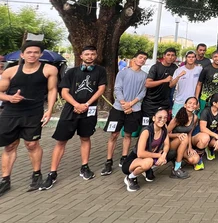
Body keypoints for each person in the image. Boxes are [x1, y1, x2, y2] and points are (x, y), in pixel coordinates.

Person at [40, 46, 107, 190]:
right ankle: (52, 172)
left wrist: (87, 104)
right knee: (61, 141)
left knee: (85, 138)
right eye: (87, 54)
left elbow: (101, 89)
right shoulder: (71, 72)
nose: (90, 56)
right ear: (81, 56)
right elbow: (64, 92)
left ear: (96, 55)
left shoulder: (101, 71)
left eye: (92, 54)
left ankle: (84, 166)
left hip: (89, 111)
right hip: (70, 110)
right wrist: (77, 104)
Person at [0, 41, 58, 196]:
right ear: (22, 54)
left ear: (40, 54)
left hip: (33, 112)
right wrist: (9, 98)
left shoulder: (49, 70)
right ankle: (5, 180)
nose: (32, 55)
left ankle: (36, 174)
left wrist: (49, 110)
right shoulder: (10, 72)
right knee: (10, 146)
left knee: (32, 144)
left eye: (36, 52)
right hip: (11, 112)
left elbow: (52, 90)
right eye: (29, 52)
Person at [100, 51, 148, 176]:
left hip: (134, 110)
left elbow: (142, 93)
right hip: (118, 109)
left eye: (144, 59)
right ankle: (108, 161)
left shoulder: (144, 75)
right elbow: (117, 88)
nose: (142, 60)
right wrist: (123, 103)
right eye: (140, 57)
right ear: (134, 59)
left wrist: (131, 104)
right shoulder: (123, 72)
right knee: (114, 135)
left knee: (128, 135)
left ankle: (124, 157)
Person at [122, 108, 170, 192]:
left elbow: (167, 144)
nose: (163, 120)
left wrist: (164, 154)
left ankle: (146, 170)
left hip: (148, 157)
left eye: (165, 117)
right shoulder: (146, 131)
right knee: (148, 162)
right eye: (160, 117)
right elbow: (140, 153)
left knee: (170, 154)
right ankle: (130, 177)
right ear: (154, 118)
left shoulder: (164, 128)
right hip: (131, 162)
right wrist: (159, 155)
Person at [166, 97, 199, 178]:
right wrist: (177, 135)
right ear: (185, 105)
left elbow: (190, 133)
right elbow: (164, 134)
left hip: (184, 143)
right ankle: (177, 168)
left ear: (197, 106)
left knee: (195, 159)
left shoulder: (195, 118)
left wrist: (190, 147)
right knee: (184, 137)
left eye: (194, 104)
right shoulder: (177, 118)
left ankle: (177, 159)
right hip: (172, 144)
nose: (192, 105)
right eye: (190, 103)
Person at [143, 48, 178, 121]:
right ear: (164, 56)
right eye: (168, 55)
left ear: (175, 57)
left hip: (164, 103)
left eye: (172, 55)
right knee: (146, 125)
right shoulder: (155, 67)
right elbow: (148, 83)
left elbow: (172, 84)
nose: (170, 57)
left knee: (162, 124)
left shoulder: (175, 68)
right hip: (151, 102)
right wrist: (164, 80)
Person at [192, 93, 218, 162]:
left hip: (212, 134)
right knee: (205, 138)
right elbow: (203, 128)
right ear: (214, 103)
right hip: (199, 134)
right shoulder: (205, 111)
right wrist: (216, 136)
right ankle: (199, 158)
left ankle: (209, 148)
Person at [171, 51, 202, 117]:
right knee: (175, 121)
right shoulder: (179, 70)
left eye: (193, 57)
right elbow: (171, 85)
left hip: (192, 102)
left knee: (191, 123)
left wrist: (197, 100)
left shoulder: (199, 69)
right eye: (189, 57)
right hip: (179, 101)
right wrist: (178, 76)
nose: (191, 59)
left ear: (195, 58)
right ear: (186, 58)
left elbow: (199, 85)